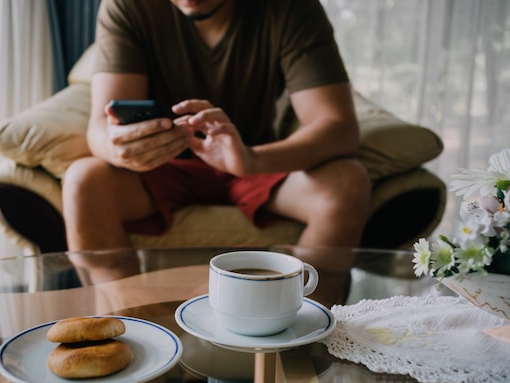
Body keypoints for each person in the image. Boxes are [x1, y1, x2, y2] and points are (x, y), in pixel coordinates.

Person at [61, 0, 371, 253]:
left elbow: (338, 126)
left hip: (254, 161)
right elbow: (101, 128)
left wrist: (252, 159)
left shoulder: (291, 8)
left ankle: (311, 326)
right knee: (82, 181)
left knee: (347, 184)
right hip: (160, 167)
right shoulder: (127, 6)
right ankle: (123, 323)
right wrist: (120, 149)